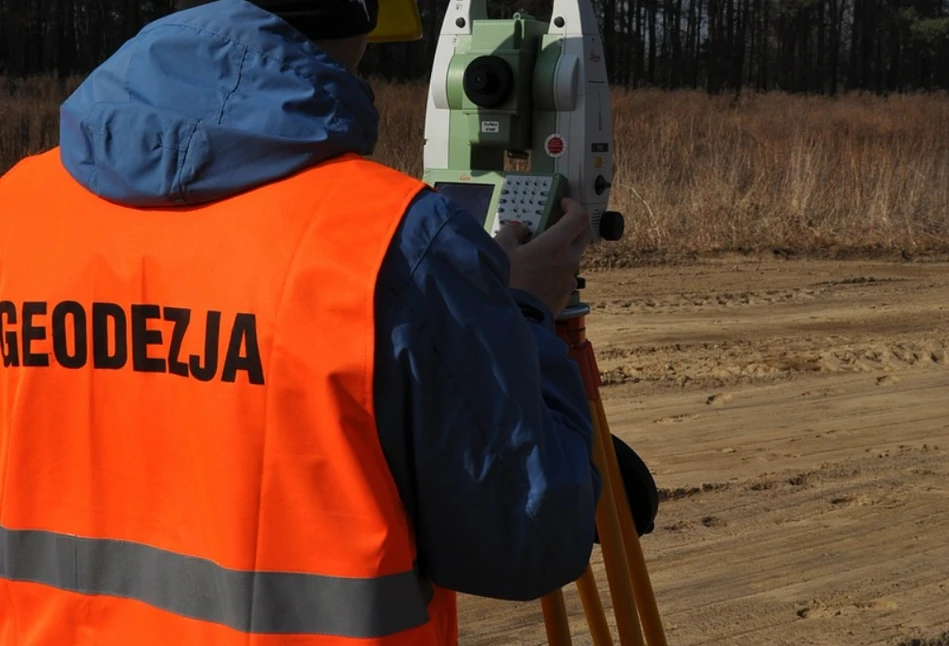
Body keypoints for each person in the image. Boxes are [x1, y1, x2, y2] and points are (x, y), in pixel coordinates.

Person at [0, 0, 604, 644]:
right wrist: (524, 316)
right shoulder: (397, 244)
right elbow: (527, 539)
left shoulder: (17, 208)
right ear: (360, 21)